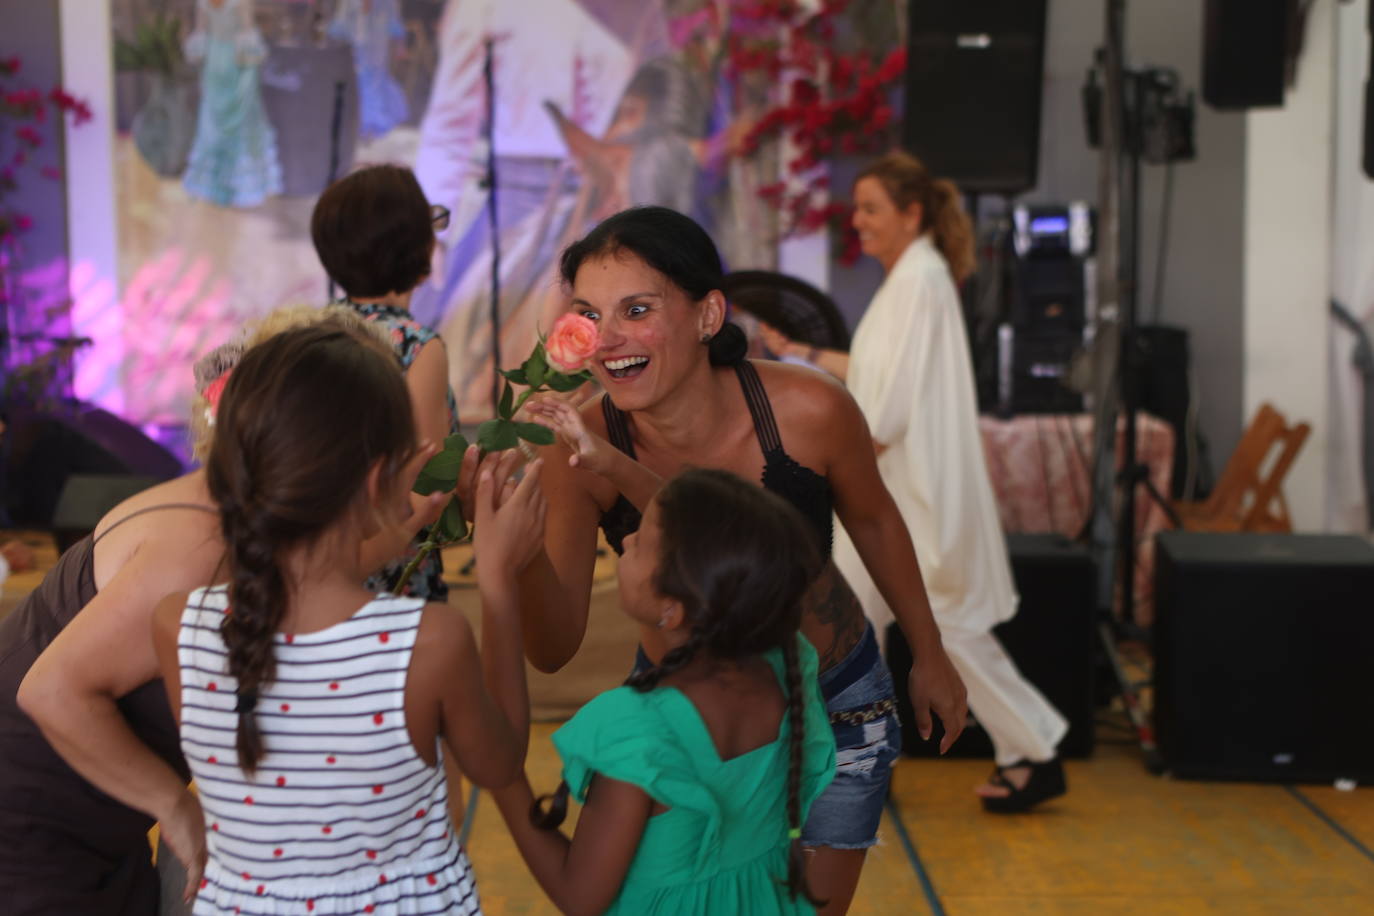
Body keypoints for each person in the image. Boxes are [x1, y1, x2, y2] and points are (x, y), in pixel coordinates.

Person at [516, 205, 967, 915]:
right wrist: (510, 551)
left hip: (837, 699)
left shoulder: (808, 409)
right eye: (590, 315)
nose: (610, 339)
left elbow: (876, 521)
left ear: (706, 314)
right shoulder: (579, 449)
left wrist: (930, 652)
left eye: (637, 309)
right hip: (687, 722)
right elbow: (551, 648)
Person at [7, 308, 447, 915]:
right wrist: (175, 806)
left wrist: (403, 519)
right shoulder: (205, 546)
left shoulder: (232, 505)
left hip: (85, 831)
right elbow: (51, 690)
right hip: (29, 834)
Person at [147, 324, 544, 912]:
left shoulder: (178, 624)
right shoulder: (426, 642)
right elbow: (502, 760)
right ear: (378, 478)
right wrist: (498, 581)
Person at [761, 151, 1070, 812]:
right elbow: (877, 371)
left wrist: (827, 472)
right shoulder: (915, 279)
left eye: (871, 209)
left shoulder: (919, 281)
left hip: (905, 494)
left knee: (935, 629)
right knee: (850, 624)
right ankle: (863, 759)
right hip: (895, 489)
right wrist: (803, 354)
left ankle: (1033, 751)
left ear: (912, 213)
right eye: (857, 210)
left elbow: (888, 405)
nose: (859, 222)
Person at [491, 468, 835, 915]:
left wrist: (503, 778)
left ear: (673, 607)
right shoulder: (788, 665)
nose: (627, 539)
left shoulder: (637, 731)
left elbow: (579, 896)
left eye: (643, 539)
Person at [312, 163, 465, 601]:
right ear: (418, 246)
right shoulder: (418, 347)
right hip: (389, 570)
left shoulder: (311, 331)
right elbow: (425, 488)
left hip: (318, 561)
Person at [182, 0, 283, 208]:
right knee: (242, 121)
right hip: (237, 62)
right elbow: (247, 34)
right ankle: (240, 187)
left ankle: (216, 185)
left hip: (214, 60)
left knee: (213, 121)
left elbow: (201, 34)